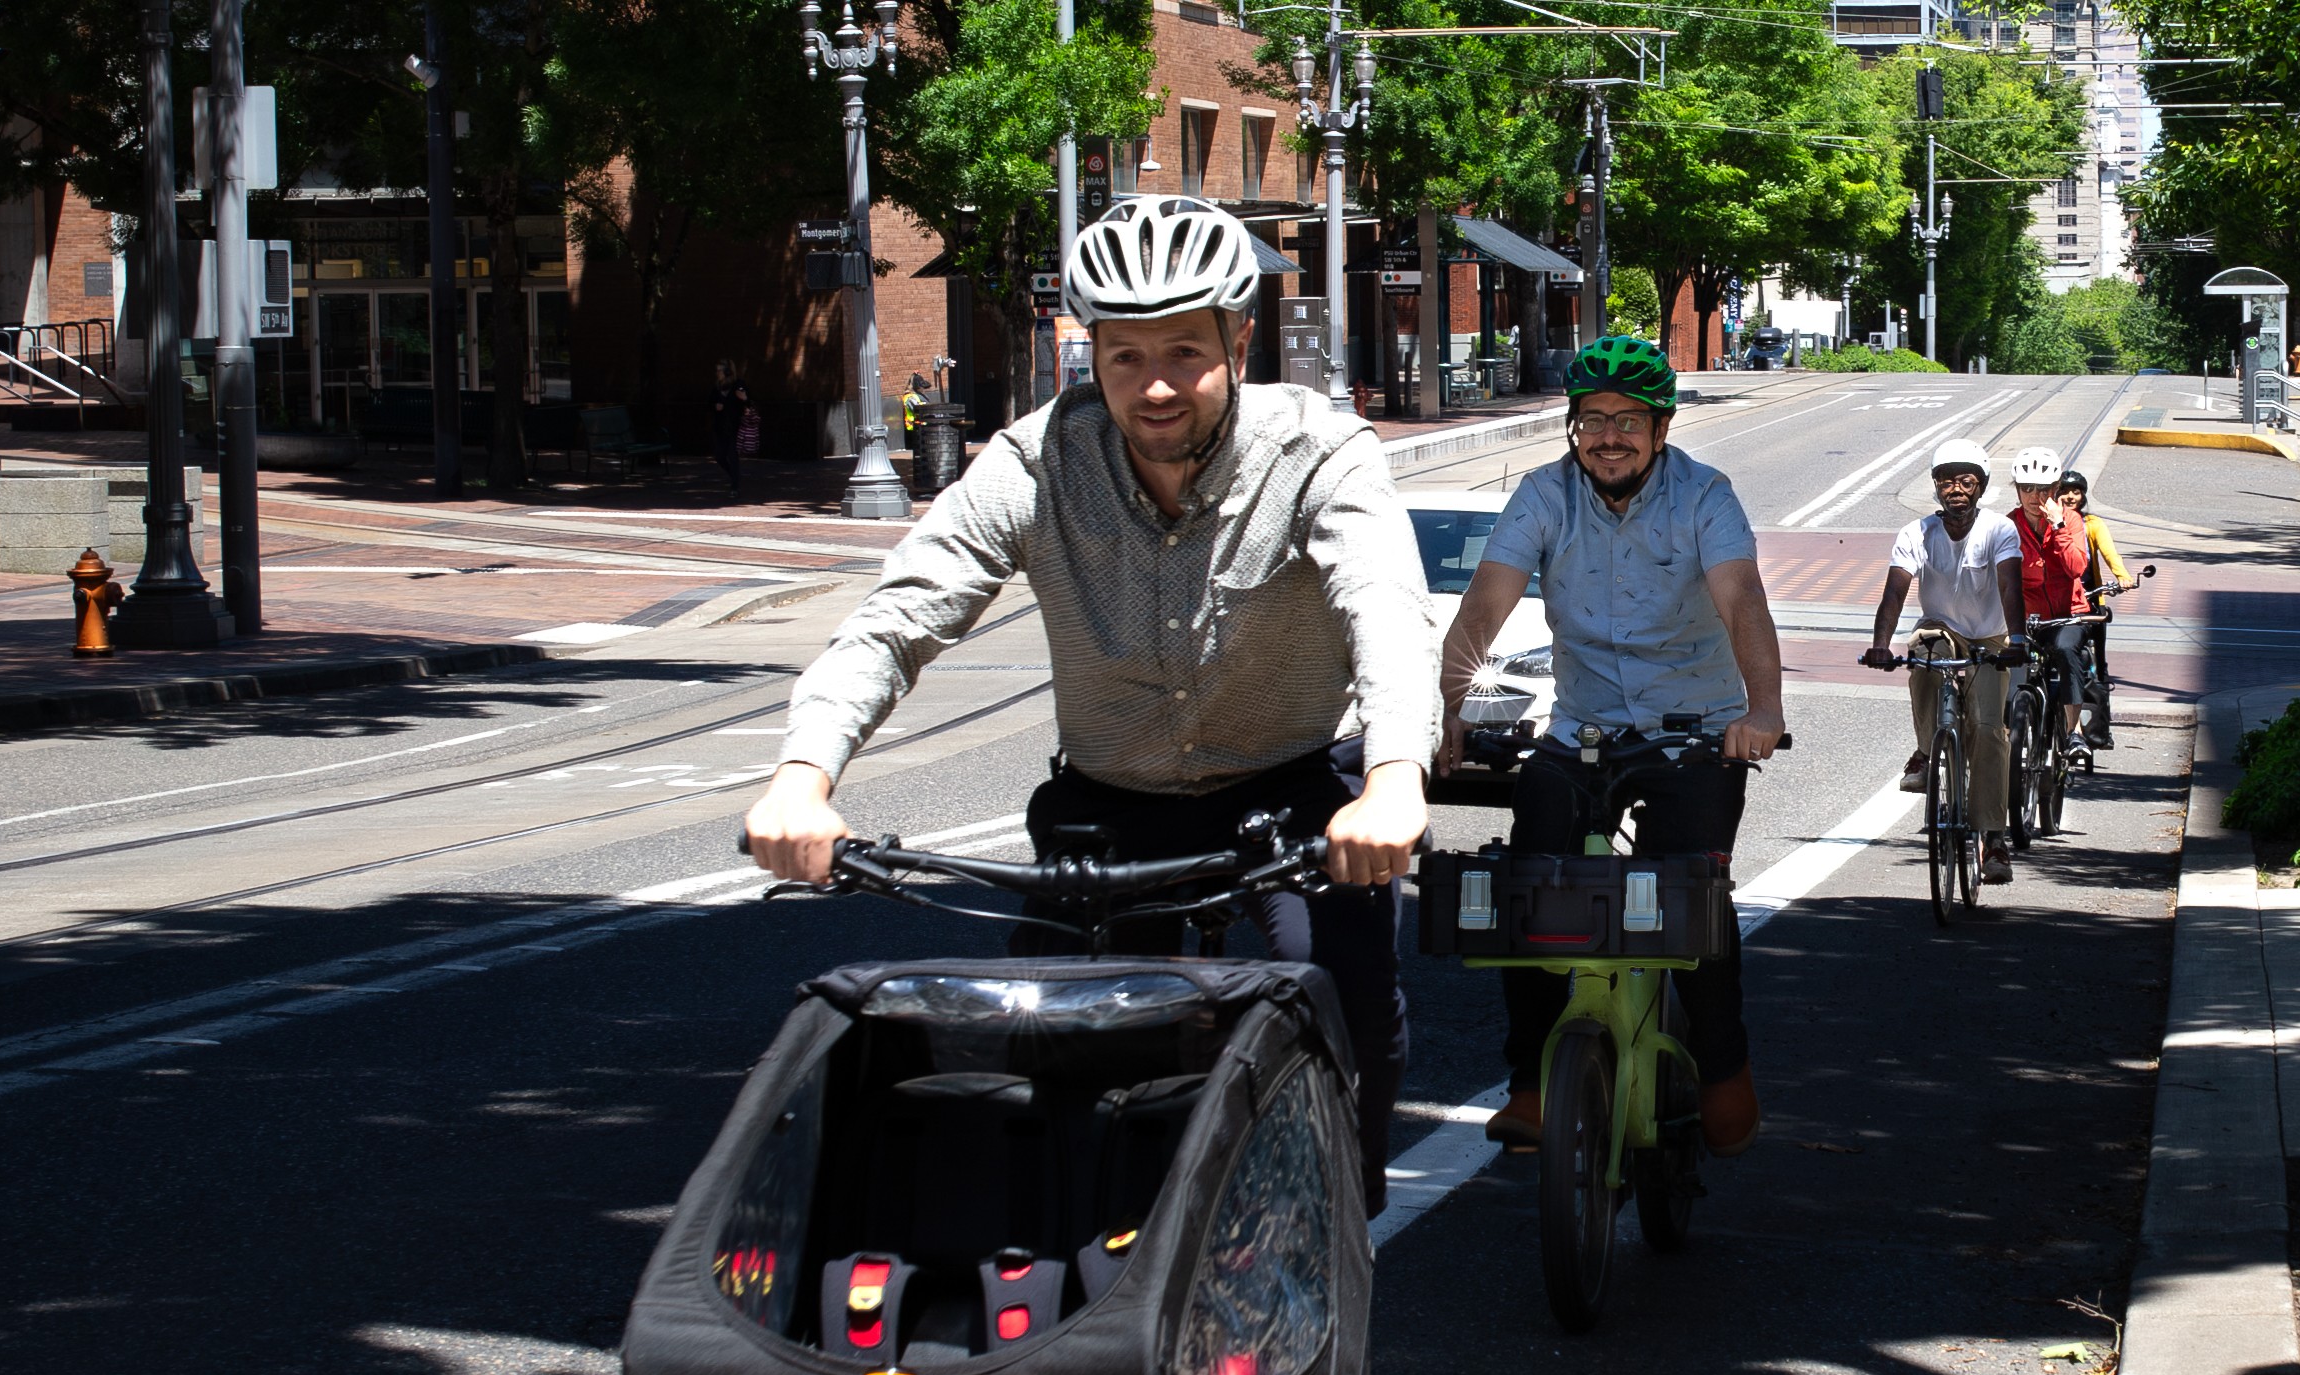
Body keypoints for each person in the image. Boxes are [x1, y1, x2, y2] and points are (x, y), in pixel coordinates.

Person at [738, 196, 1438, 1211]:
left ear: (1238, 342)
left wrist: (1393, 781)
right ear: (1091, 351)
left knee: (1346, 1002)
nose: (1155, 386)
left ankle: (1338, 1223)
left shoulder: (1319, 453)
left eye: (1186, 354)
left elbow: (1386, 609)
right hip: (1111, 805)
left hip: (1292, 796)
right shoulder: (1034, 463)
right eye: (1125, 357)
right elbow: (898, 617)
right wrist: (803, 777)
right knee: (1050, 1048)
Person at [1434, 334, 1787, 1156]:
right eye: (1592, 420)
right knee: (1528, 892)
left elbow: (1742, 601)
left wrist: (1761, 710)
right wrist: (1455, 706)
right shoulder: (1543, 494)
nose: (1609, 436)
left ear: (1661, 429)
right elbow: (1485, 605)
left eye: (1630, 420)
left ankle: (1724, 1069)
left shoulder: (1705, 495)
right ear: (1572, 428)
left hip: (1696, 731)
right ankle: (1532, 1081)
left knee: (1690, 900)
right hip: (1582, 727)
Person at [1859, 436, 2026, 884]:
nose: (1956, 489)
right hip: (1942, 630)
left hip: (1991, 639)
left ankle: (1992, 839)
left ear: (1981, 487)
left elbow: (2011, 585)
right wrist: (1880, 644)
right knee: (1924, 650)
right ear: (1935, 488)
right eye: (1946, 481)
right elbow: (1895, 591)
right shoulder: (1917, 533)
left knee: (1990, 731)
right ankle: (1926, 751)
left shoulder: (1999, 530)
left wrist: (2018, 638)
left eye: (1966, 481)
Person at [2005, 446, 2103, 761]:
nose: (2035, 497)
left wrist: (2059, 527)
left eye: (2043, 489)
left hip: (2068, 615)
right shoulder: (2008, 525)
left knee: (2064, 650)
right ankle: (2008, 727)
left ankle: (2074, 732)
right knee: (2007, 654)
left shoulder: (2072, 521)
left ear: (2056, 490)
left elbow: (2076, 568)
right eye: (2027, 489)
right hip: (2028, 617)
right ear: (2017, 490)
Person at [2059, 467, 2132, 746]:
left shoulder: (2093, 524)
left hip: (2090, 602)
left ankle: (2101, 728)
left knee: (2098, 667)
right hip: (2058, 603)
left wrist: (2122, 577)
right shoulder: (2051, 523)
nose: (2070, 497)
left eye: (2075, 492)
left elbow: (2109, 553)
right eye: (2063, 492)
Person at [710, 360, 751, 497]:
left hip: (735, 426)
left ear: (727, 372)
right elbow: (709, 402)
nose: (717, 373)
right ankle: (735, 476)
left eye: (720, 370)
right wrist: (715, 407)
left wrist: (744, 398)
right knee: (719, 456)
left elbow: (748, 401)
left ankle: (735, 486)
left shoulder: (738, 385)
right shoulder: (717, 387)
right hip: (720, 426)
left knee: (733, 456)